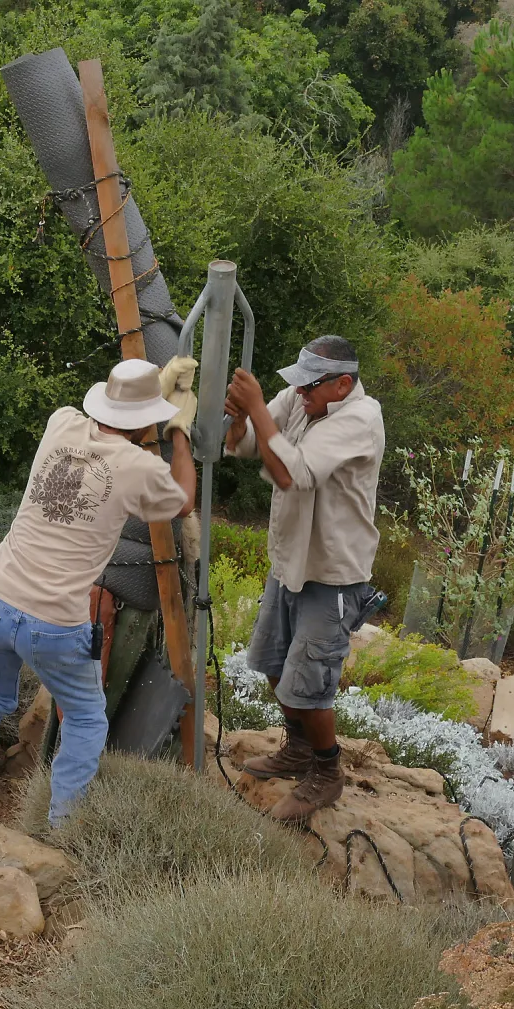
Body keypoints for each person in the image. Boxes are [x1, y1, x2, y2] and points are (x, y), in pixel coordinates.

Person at [0, 357, 198, 830]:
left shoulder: (61, 422)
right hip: (54, 618)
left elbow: (106, 425)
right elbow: (182, 499)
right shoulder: (137, 466)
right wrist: (179, 430)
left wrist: (142, 405)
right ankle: (60, 829)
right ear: (145, 424)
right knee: (86, 720)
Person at [223, 335, 385, 822]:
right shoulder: (302, 398)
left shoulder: (360, 419)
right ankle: (296, 749)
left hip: (332, 574)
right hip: (290, 562)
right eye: (296, 384)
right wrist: (238, 418)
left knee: (309, 683)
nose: (298, 393)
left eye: (309, 386)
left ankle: (327, 771)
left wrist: (256, 407)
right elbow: (255, 444)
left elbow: (294, 473)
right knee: (275, 665)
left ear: (342, 383)